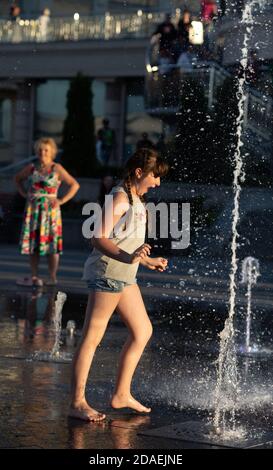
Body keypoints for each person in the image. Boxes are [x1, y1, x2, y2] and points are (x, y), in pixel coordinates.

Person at [69, 147, 169, 421]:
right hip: (108, 274)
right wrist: (129, 257)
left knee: (142, 330)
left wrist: (146, 260)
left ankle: (121, 393)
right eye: (155, 176)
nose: (158, 182)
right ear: (139, 173)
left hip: (125, 275)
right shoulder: (121, 198)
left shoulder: (136, 198)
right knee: (92, 338)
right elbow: (98, 238)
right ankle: (77, 403)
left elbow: (128, 242)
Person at [14, 137, 80, 287]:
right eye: (40, 150)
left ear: (52, 152)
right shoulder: (31, 168)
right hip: (33, 210)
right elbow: (17, 179)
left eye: (46, 150)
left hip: (50, 211)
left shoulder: (56, 168)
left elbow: (74, 185)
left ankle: (52, 276)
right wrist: (24, 193)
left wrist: (61, 200)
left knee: (52, 246)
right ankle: (34, 276)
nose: (42, 152)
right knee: (33, 245)